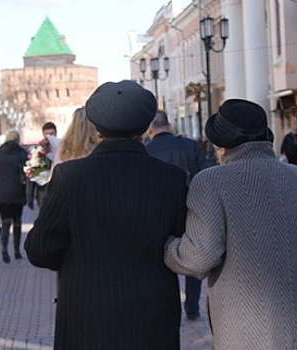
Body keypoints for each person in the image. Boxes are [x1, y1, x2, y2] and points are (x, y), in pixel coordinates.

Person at [164, 98, 297, 349]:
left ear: (221, 146)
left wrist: (168, 247)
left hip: (246, 335)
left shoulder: (211, 182)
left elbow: (199, 258)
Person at [24, 80, 187, 349]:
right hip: (152, 310)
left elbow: (39, 250)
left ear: (98, 129)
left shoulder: (70, 177)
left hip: (87, 311)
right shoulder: (172, 178)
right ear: (146, 129)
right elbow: (181, 241)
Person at [145, 109, 208, 320]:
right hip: (191, 210)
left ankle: (167, 308)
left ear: (150, 129)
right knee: (193, 259)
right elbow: (204, 176)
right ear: (169, 126)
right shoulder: (190, 146)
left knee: (162, 260)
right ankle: (192, 307)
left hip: (159, 214)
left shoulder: (147, 151)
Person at [0, 129, 28, 263]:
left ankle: (4, 248)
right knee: (17, 221)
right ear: (17, 139)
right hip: (17, 191)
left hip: (2, 193)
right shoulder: (22, 153)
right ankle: (16, 250)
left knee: (5, 222)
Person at [27, 121, 58, 209]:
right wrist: (30, 195)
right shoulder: (38, 151)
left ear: (56, 133)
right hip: (43, 191)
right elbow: (32, 171)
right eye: (46, 134)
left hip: (59, 190)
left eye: (52, 133)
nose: (49, 136)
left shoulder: (62, 148)